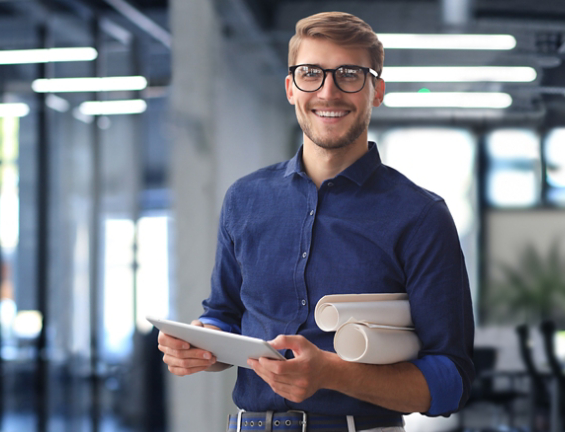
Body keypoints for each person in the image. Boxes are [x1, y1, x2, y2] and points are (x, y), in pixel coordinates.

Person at [157, 11, 475, 432]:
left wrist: (331, 372)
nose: (328, 91)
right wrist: (200, 342)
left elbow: (451, 381)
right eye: (311, 73)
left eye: (349, 74)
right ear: (291, 88)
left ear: (376, 90)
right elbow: (225, 313)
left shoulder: (420, 216)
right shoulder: (245, 198)